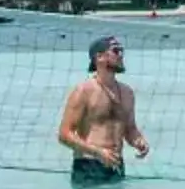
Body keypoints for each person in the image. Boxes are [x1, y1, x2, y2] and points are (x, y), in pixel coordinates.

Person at [58, 37, 150, 181]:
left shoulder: (127, 93)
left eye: (121, 51)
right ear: (99, 57)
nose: (120, 55)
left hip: (117, 166)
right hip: (88, 165)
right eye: (115, 51)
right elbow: (64, 135)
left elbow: (130, 129)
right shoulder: (83, 91)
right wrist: (98, 152)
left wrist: (139, 141)